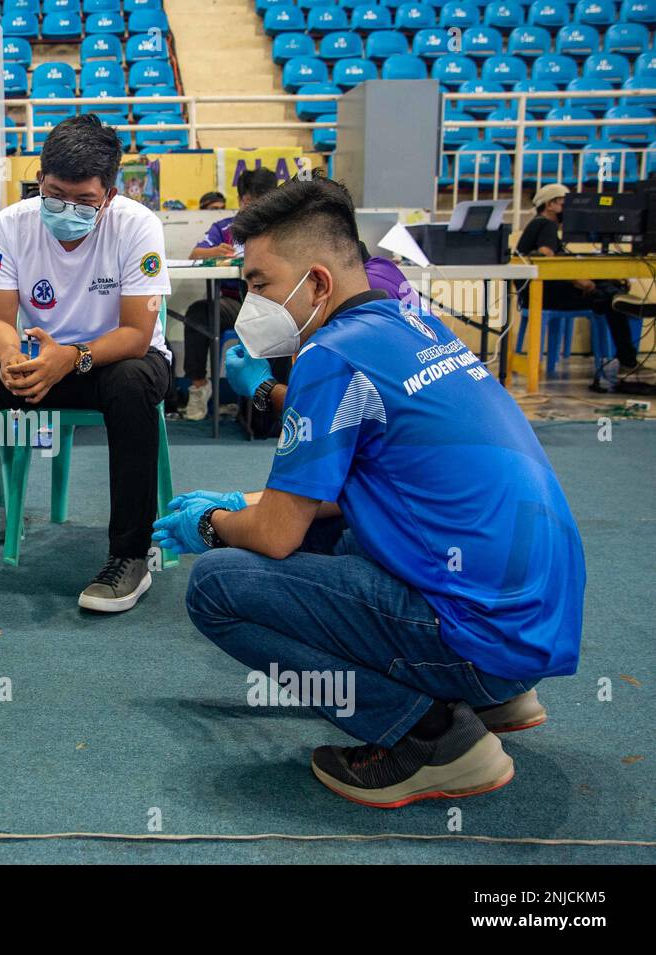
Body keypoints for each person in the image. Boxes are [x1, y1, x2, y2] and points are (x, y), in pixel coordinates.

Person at [154, 177, 584, 808]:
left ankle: (432, 738)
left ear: (319, 283)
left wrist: (213, 524)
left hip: (481, 631)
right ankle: (495, 697)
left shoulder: (330, 356)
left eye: (259, 284)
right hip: (531, 620)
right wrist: (246, 503)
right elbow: (351, 493)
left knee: (219, 586)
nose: (253, 304)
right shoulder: (415, 325)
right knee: (346, 533)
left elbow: (277, 535)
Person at [0, 114, 173, 612]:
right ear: (39, 179)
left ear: (108, 194)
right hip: (43, 359)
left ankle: (129, 554)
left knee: (132, 384)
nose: (67, 209)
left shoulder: (138, 226)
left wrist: (73, 357)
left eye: (85, 201)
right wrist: (8, 358)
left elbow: (136, 334)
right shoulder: (11, 224)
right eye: (55, 194)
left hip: (113, 360)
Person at [515, 183, 646, 392]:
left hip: (539, 293)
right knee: (611, 301)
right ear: (550, 205)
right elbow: (546, 256)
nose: (568, 210)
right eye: (563, 203)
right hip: (546, 295)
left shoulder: (537, 224)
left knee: (609, 290)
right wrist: (580, 281)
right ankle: (628, 362)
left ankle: (625, 357)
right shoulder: (545, 224)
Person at [180, 169, 279, 420]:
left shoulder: (283, 230)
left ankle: (275, 398)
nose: (254, 207)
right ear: (241, 200)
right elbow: (195, 254)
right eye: (249, 201)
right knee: (198, 313)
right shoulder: (225, 227)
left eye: (261, 201)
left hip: (274, 304)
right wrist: (214, 251)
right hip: (234, 302)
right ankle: (199, 387)